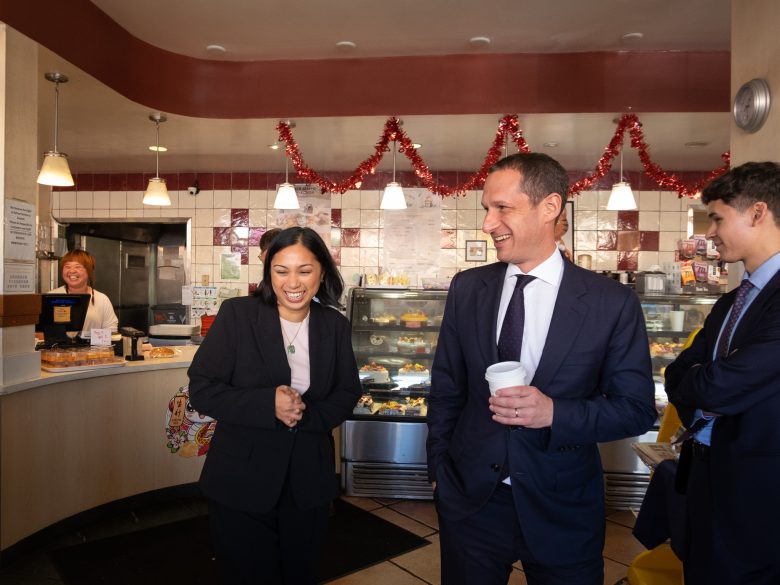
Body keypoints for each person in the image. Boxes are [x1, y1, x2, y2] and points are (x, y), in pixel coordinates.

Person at [426, 152, 656, 585]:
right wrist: (439, 472)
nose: (488, 223)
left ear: (550, 207)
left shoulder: (610, 302)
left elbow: (636, 409)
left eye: (502, 208)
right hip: (472, 501)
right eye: (486, 210)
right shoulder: (468, 288)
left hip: (562, 504)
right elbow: (447, 389)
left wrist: (555, 413)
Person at [188, 226, 362, 584]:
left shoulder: (334, 325)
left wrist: (306, 415)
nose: (293, 282)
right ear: (269, 272)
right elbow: (203, 389)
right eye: (282, 270)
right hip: (241, 478)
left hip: (308, 480)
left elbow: (347, 391)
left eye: (305, 270)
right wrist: (268, 404)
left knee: (301, 571)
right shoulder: (238, 315)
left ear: (323, 272)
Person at [665, 161, 780, 585]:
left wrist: (704, 380)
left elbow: (717, 385)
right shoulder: (732, 299)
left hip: (759, 488)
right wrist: (702, 380)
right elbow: (676, 375)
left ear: (757, 212)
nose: (710, 232)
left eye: (717, 218)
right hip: (705, 475)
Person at [50, 249, 118, 335]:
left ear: (89, 271)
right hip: (58, 348)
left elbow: (111, 331)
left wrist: (87, 339)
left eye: (78, 266)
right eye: (67, 266)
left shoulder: (102, 299)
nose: (72, 271)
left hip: (96, 348)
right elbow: (40, 332)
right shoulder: (52, 296)